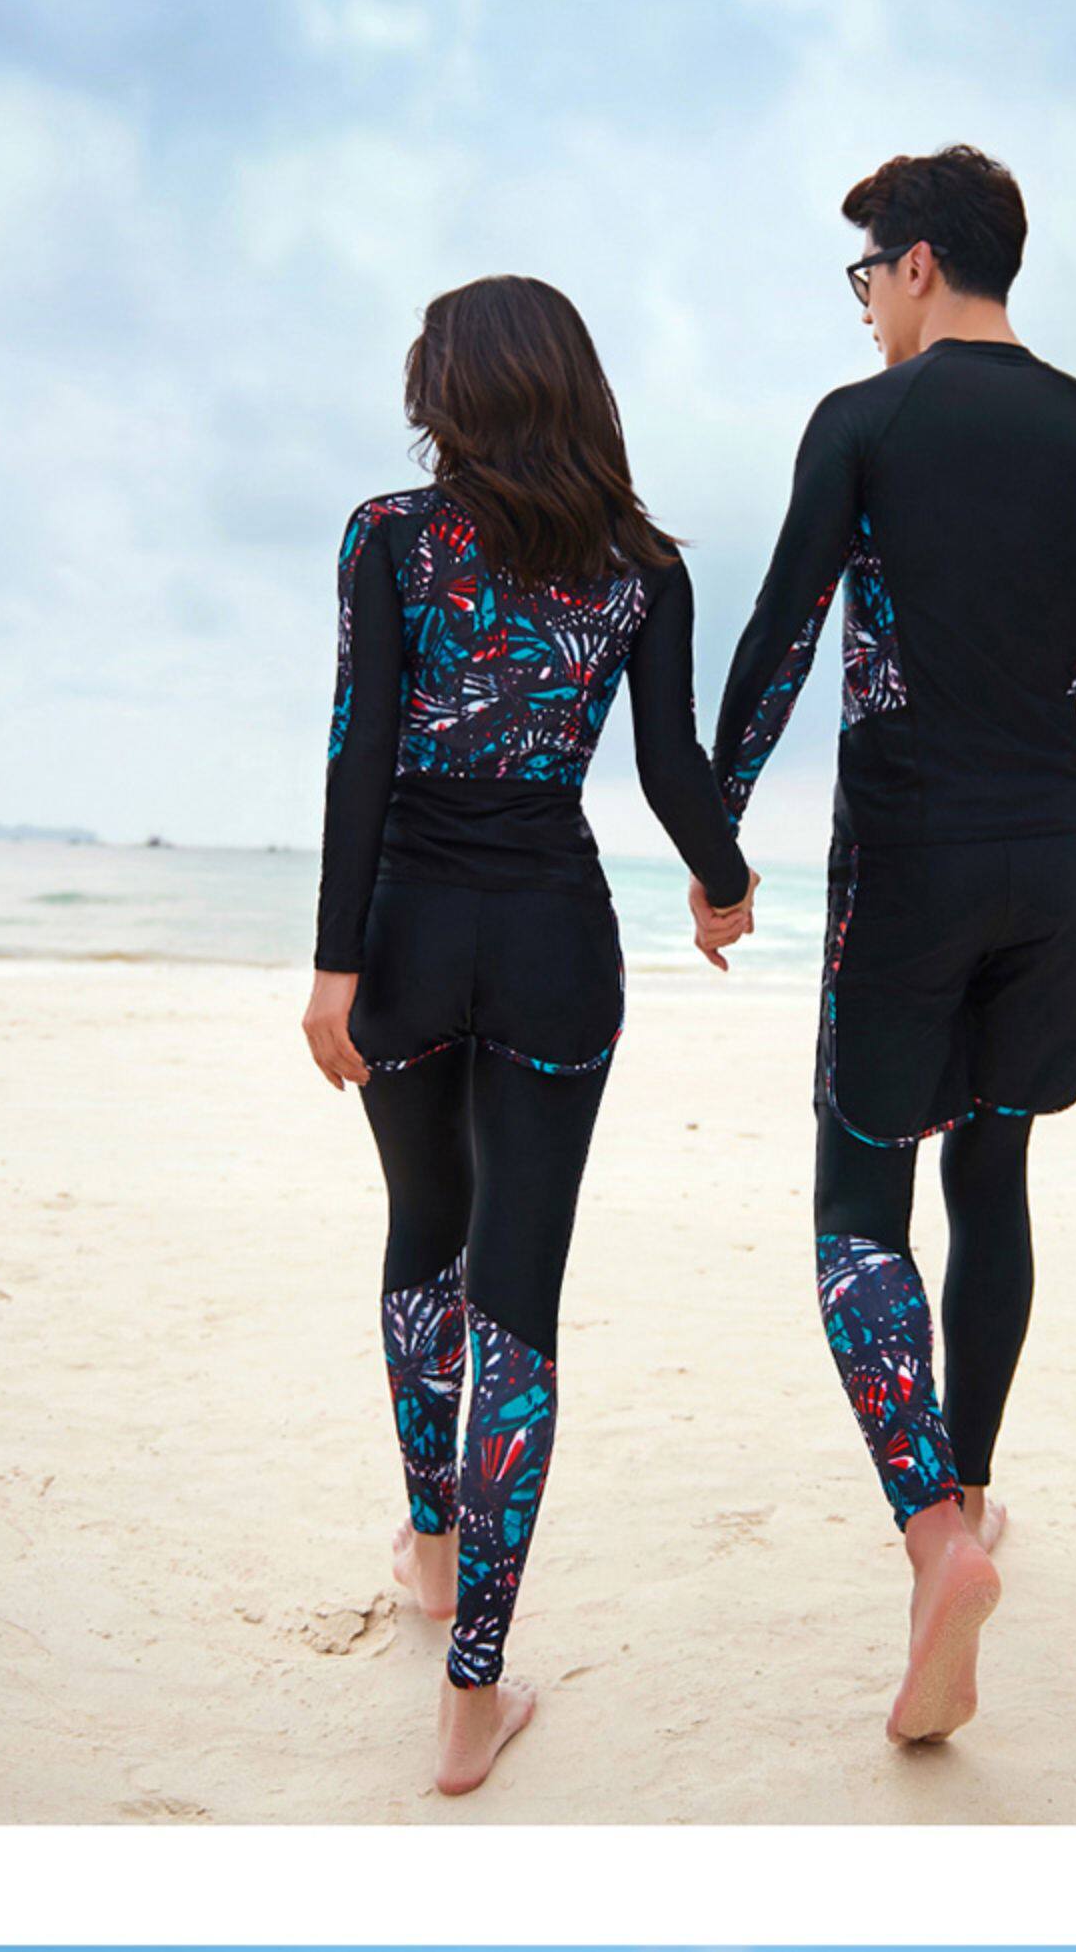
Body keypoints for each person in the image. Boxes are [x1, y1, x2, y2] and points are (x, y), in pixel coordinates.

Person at [699, 145, 1076, 1743]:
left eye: (866, 276)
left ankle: (932, 1536)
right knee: (994, 1174)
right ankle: (969, 1484)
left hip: (905, 861)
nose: (863, 309)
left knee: (858, 1210)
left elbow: (781, 633)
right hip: (1041, 859)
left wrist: (717, 840)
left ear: (916, 264)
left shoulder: (867, 422)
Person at [303, 276, 757, 1795]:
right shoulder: (644, 567)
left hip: (406, 939)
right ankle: (472, 1688)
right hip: (555, 939)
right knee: (518, 1300)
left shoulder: (387, 537)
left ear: (455, 389)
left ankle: (434, 1544)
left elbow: (362, 751)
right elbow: (671, 763)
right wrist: (724, 880)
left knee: (421, 1224)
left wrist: (333, 965)